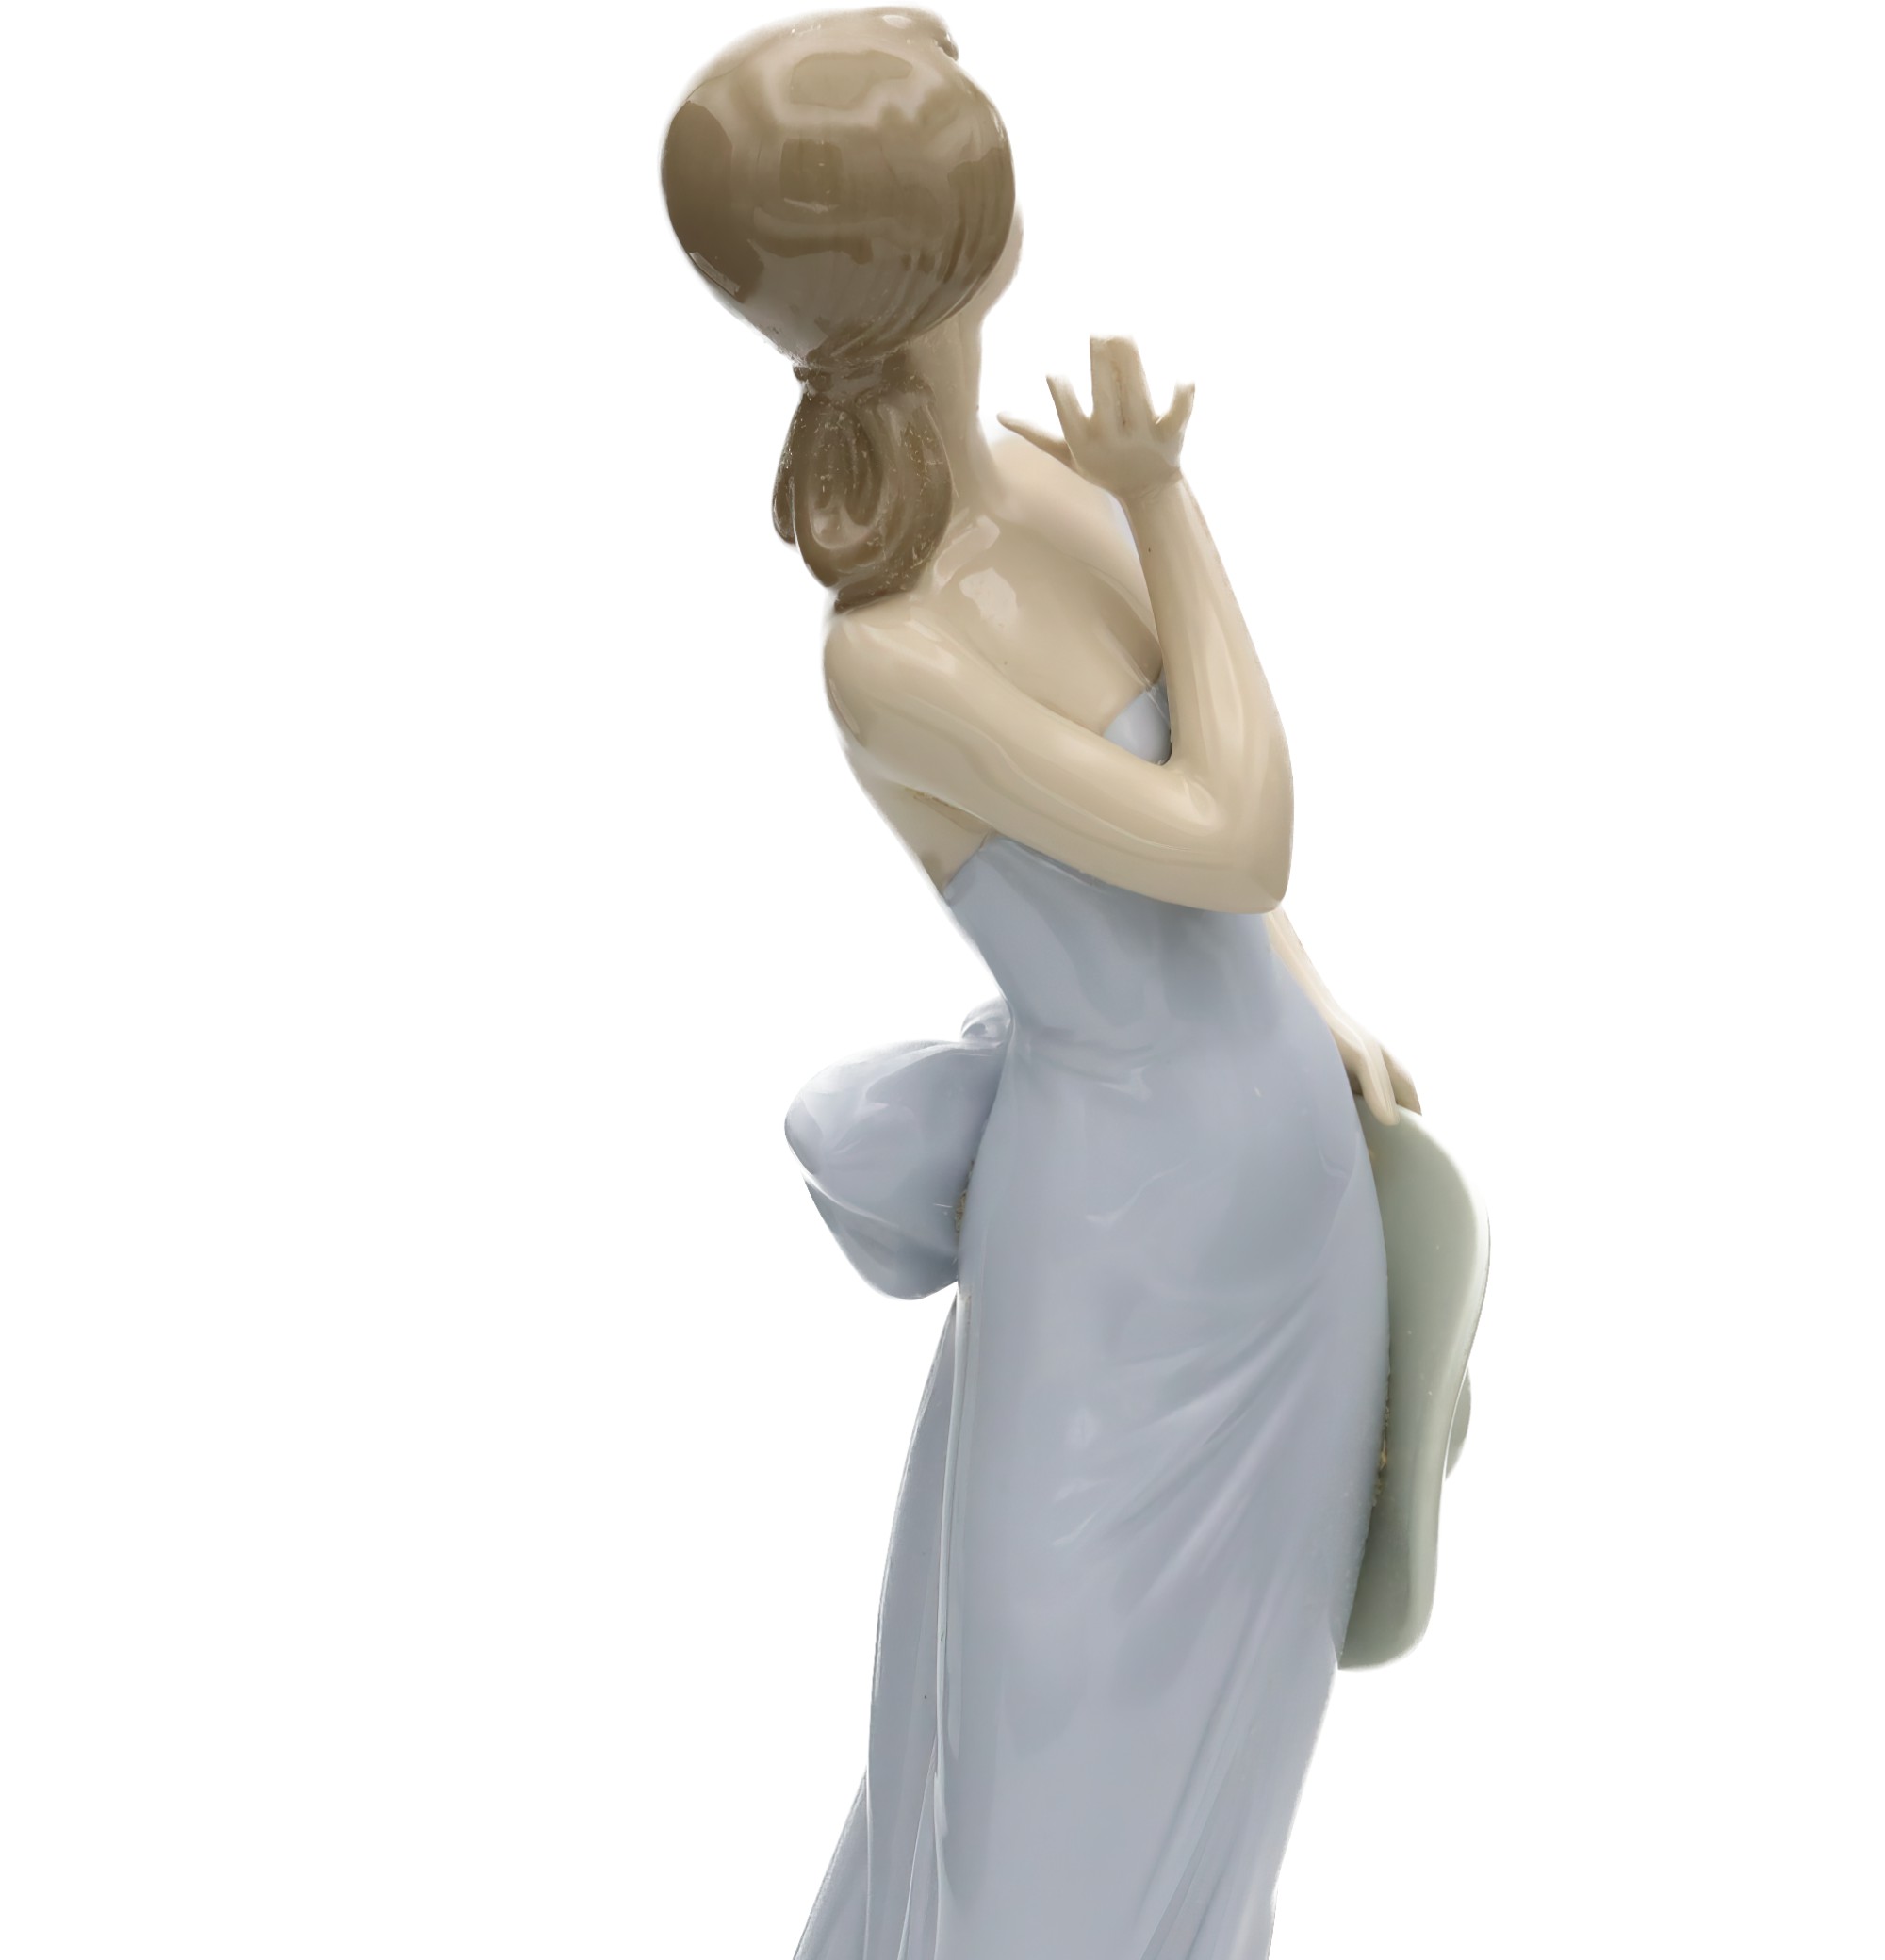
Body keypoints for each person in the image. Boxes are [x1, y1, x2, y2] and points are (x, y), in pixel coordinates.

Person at [664, 15, 1434, 1957]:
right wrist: (1171, 504)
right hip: (1121, 1243)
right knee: (1043, 1752)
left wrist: (1313, 1002)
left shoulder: (1031, 475)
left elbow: (1224, 892)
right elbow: (1237, 830)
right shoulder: (890, 654)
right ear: (963, 245)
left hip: (1279, 1188)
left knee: (1216, 1742)